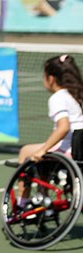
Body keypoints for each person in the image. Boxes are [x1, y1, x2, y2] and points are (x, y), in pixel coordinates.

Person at [15, 54, 83, 208]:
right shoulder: (78, 94)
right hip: (80, 150)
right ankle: (43, 195)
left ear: (51, 79)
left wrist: (43, 150)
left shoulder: (58, 98)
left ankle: (23, 202)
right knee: (43, 158)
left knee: (27, 151)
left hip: (69, 152)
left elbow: (63, 127)